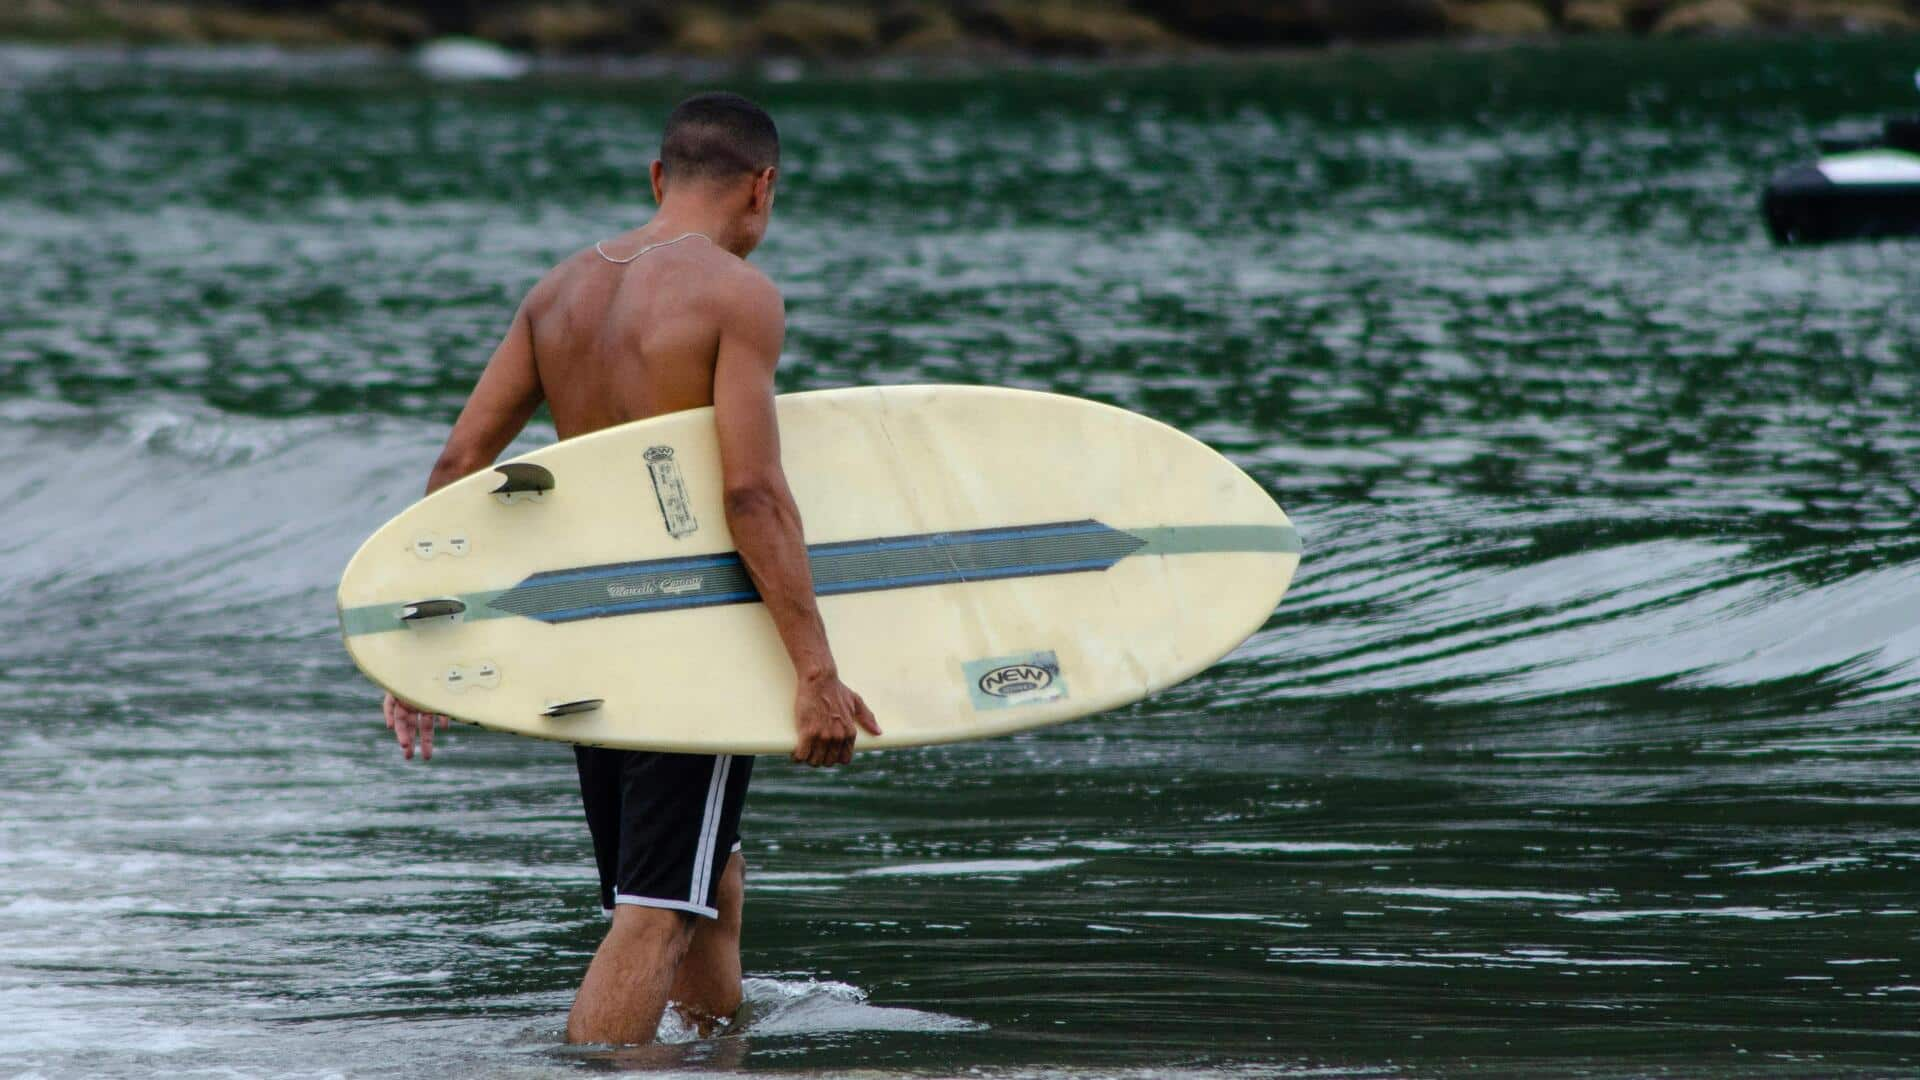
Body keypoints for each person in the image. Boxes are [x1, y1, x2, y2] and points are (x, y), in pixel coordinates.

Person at [378, 91, 881, 1045]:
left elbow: (456, 472)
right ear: (762, 188)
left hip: (589, 629)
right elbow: (752, 496)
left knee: (704, 873)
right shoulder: (738, 296)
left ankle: (712, 1051)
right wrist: (817, 670)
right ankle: (600, 1066)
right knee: (653, 912)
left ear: (658, 178)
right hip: (691, 631)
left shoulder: (557, 292)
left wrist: (415, 641)